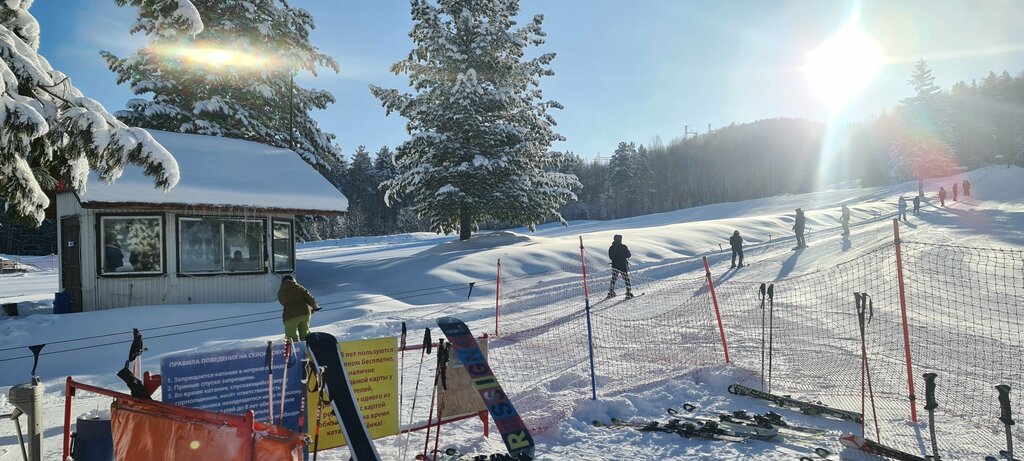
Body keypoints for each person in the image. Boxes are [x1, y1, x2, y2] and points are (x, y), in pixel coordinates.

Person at [278, 275, 320, 341]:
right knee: (305, 335)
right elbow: (309, 298)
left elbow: (283, 303)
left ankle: (294, 349)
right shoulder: (299, 287)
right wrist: (315, 307)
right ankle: (307, 349)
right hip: (304, 312)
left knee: (290, 337)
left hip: (290, 315)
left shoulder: (280, 292)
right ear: (293, 280)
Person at [607, 234, 633, 299]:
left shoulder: (611, 247)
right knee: (626, 278)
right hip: (623, 265)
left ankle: (611, 292)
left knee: (614, 278)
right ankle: (628, 293)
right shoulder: (623, 247)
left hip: (615, 265)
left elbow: (611, 257)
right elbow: (628, 255)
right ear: (620, 239)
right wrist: (623, 256)